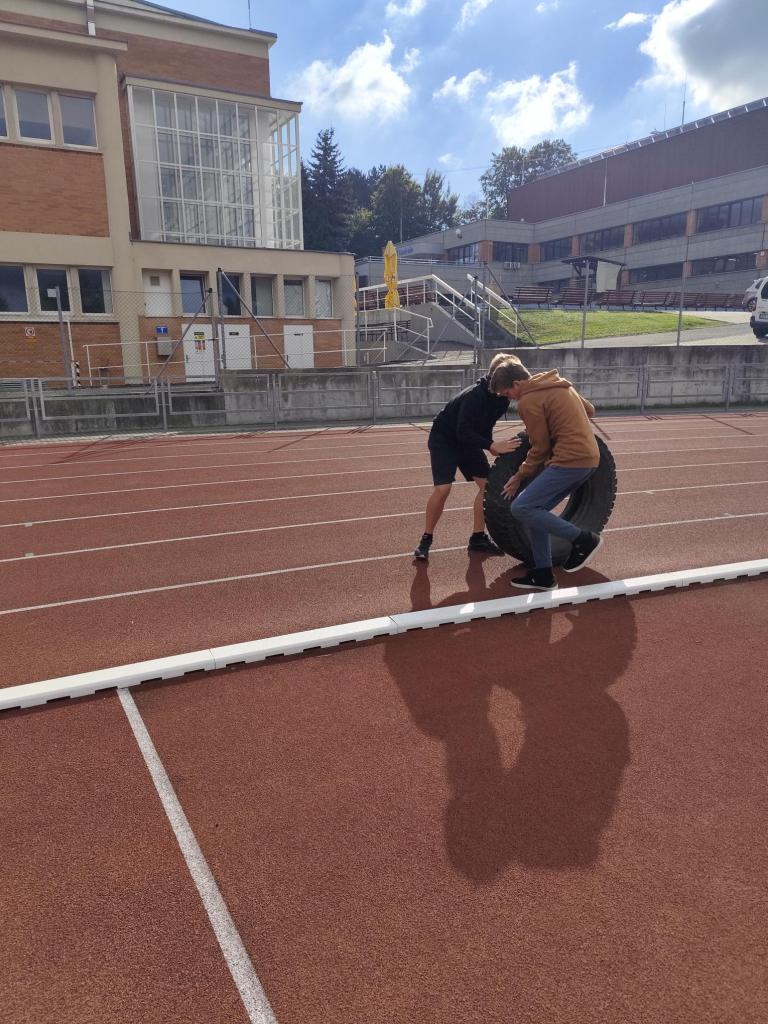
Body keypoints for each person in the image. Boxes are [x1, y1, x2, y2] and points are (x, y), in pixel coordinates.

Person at [489, 360, 602, 591]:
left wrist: (519, 476)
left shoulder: (528, 401)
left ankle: (583, 540)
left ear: (517, 383)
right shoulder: (560, 385)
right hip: (590, 458)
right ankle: (543, 574)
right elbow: (590, 410)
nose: (509, 399)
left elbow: (539, 447)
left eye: (507, 393)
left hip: (570, 460)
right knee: (536, 511)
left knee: (521, 508)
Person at [414, 353, 523, 561]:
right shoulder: (475, 395)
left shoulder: (502, 399)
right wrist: (490, 445)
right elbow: (462, 430)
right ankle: (426, 539)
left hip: (468, 441)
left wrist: (490, 444)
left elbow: (485, 425)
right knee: (443, 488)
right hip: (445, 439)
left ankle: (478, 538)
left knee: (487, 486)